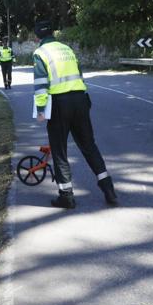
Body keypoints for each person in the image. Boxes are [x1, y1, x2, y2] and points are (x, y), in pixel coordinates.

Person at [32, 20, 117, 209]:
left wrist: (40, 109)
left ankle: (66, 196)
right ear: (52, 33)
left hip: (59, 104)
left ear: (37, 37)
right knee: (89, 146)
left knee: (60, 150)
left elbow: (40, 84)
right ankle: (109, 189)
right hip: (80, 99)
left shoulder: (40, 53)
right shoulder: (66, 49)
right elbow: (79, 74)